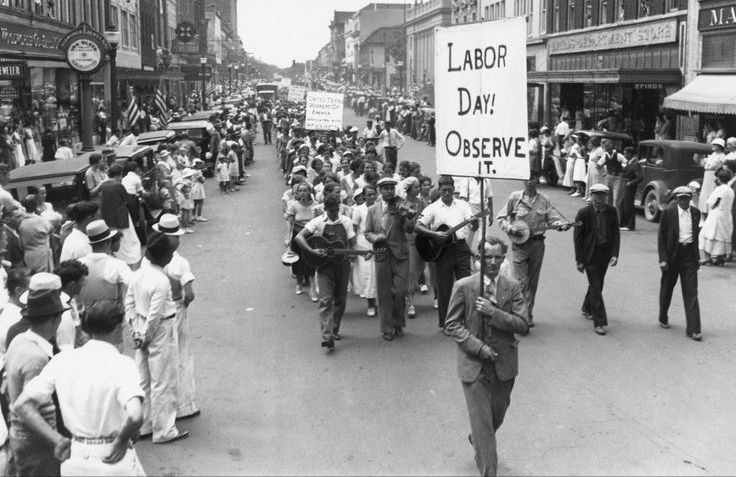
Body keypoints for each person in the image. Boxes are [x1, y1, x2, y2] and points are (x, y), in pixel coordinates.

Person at [12, 300, 147, 476]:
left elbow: (22, 405)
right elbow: (135, 415)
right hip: (113, 457)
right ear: (117, 328)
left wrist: (58, 440)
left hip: (76, 458)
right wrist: (122, 439)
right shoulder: (122, 364)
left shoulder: (63, 360)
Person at [444, 237, 528, 477]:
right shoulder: (464, 286)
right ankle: (488, 470)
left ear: (503, 260)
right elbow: (452, 325)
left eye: (497, 258)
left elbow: (523, 324)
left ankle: (478, 440)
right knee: (482, 425)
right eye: (486, 257)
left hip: (504, 366)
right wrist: (478, 348)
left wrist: (495, 313)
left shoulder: (512, 287)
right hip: (474, 367)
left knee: (495, 417)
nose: (492, 262)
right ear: (477, 259)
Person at [124, 232, 188, 443]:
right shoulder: (161, 280)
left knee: (143, 379)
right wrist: (147, 336)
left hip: (140, 326)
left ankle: (144, 425)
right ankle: (164, 429)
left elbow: (129, 304)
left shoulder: (137, 274)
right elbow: (156, 314)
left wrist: (135, 331)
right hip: (160, 329)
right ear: (166, 258)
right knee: (163, 380)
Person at [5, 277, 68, 476]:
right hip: (38, 444)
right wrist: (57, 440)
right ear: (54, 319)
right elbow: (32, 410)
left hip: (19, 436)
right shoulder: (37, 358)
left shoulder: (18, 340)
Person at [496, 173, 570, 327]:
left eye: (533, 179)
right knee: (520, 282)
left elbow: (553, 218)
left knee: (532, 282)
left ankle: (528, 314)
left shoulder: (544, 200)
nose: (529, 182)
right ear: (523, 180)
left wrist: (559, 225)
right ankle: (520, 315)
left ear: (536, 180)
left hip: (537, 245)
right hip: (519, 246)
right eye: (527, 179)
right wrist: (511, 228)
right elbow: (500, 218)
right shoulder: (514, 198)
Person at [152, 214, 200, 420]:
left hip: (157, 313)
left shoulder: (152, 258)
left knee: (160, 361)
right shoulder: (180, 261)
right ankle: (184, 405)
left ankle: (162, 409)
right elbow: (189, 294)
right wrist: (183, 303)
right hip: (176, 310)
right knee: (181, 356)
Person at [295, 194, 356, 351]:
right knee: (325, 300)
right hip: (324, 267)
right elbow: (299, 237)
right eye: (332, 211)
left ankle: (335, 328)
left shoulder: (346, 222)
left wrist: (358, 253)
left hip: (342, 265)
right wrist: (312, 251)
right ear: (325, 209)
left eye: (337, 210)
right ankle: (327, 337)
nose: (335, 213)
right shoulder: (318, 222)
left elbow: (353, 244)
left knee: (340, 300)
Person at [416, 176, 474, 328]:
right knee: (444, 287)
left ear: (454, 189)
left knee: (466, 285)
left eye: (450, 190)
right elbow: (418, 226)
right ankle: (446, 323)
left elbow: (473, 225)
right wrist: (434, 234)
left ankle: (467, 322)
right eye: (444, 190)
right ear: (439, 190)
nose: (447, 193)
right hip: (443, 251)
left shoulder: (463, 205)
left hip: (461, 248)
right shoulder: (432, 208)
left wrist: (475, 223)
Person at [365, 177, 416, 341]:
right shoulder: (373, 210)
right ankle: (387, 328)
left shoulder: (402, 205)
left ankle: (398, 322)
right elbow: (367, 232)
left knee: (400, 291)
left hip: (400, 253)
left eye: (392, 188)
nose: (389, 191)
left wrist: (408, 216)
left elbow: (409, 229)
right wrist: (375, 237)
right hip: (381, 253)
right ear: (380, 190)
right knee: (384, 292)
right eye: (386, 188)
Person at [573, 184, 620, 336]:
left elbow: (615, 234)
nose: (599, 199)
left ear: (606, 197)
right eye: (596, 195)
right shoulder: (584, 213)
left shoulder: (612, 212)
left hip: (605, 254)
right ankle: (599, 322)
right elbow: (578, 238)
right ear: (591, 196)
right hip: (590, 255)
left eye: (602, 196)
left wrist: (614, 254)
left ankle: (586, 307)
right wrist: (579, 260)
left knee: (598, 284)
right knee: (595, 285)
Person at [658, 186, 702, 341]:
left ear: (691, 199)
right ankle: (663, 315)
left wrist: (697, 259)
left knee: (691, 292)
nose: (684, 201)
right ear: (676, 199)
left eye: (687, 198)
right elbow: (661, 237)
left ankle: (694, 329)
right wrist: (663, 259)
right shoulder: (668, 213)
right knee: (667, 288)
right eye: (681, 198)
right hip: (672, 256)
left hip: (689, 256)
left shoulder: (695, 214)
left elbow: (696, 238)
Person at [100, 164, 141, 267]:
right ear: (119, 175)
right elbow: (128, 201)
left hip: (108, 218)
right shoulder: (118, 185)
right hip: (121, 216)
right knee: (127, 240)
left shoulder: (104, 185)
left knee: (115, 240)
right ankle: (130, 261)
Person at [351, 186, 378, 317]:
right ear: (364, 196)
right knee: (368, 274)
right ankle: (371, 303)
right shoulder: (358, 210)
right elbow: (354, 229)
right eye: (369, 195)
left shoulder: (381, 207)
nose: (372, 197)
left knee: (379, 273)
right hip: (363, 244)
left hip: (379, 242)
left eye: (374, 194)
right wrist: (352, 247)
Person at [699, 167, 734, 265]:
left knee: (706, 235)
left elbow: (712, 203)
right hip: (726, 215)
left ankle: (707, 258)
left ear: (719, 179)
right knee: (722, 236)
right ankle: (720, 257)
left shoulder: (719, 189)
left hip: (716, 215)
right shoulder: (730, 190)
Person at [19, 194, 54, 273]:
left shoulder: (20, 220)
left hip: (28, 254)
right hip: (41, 254)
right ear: (35, 206)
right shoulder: (39, 220)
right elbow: (51, 229)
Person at [698, 138, 727, 215]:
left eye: (715, 145)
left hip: (714, 176)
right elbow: (705, 165)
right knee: (705, 193)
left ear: (720, 146)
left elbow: (719, 167)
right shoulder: (713, 155)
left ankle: (711, 211)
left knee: (712, 193)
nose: (713, 146)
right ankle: (704, 212)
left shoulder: (722, 156)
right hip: (707, 175)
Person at [620, 146, 642, 231]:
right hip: (626, 185)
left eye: (625, 153)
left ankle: (630, 225)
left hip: (630, 186)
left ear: (630, 154)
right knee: (624, 204)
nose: (624, 155)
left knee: (628, 205)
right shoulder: (630, 162)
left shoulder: (635, 163)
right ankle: (624, 223)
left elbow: (640, 177)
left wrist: (631, 183)